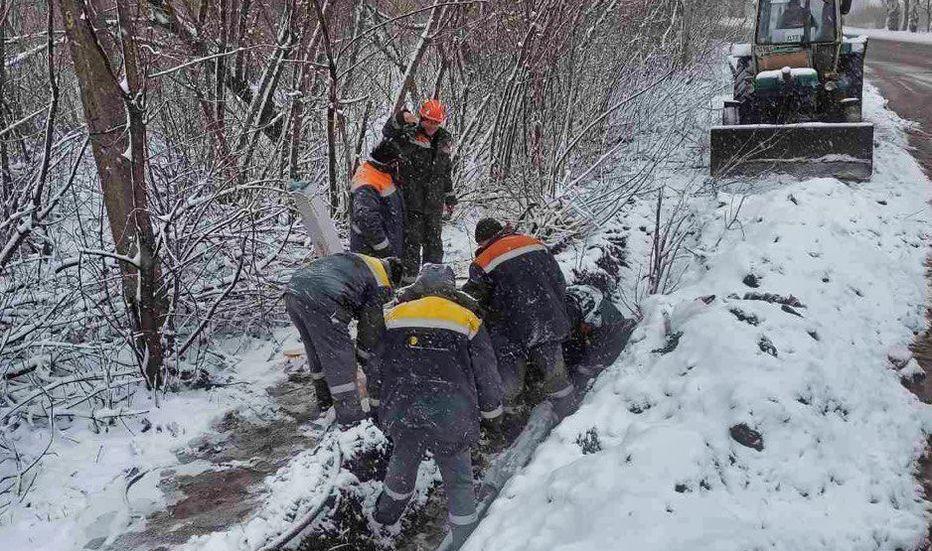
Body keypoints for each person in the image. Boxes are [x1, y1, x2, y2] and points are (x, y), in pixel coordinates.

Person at [371, 264, 503, 550]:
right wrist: (492, 412)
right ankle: (466, 538)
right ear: (451, 289)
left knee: (403, 464)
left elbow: (377, 364)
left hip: (406, 409)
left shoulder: (394, 316)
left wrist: (376, 403)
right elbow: (486, 371)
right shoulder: (467, 318)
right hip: (451, 413)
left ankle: (382, 518)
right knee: (458, 481)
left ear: (419, 285)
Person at [462, 218, 575, 426]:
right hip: (549, 319)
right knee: (555, 371)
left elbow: (475, 301)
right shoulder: (535, 243)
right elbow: (559, 280)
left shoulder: (484, 261)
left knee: (510, 379)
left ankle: (511, 422)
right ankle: (568, 413)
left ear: (483, 241)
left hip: (512, 328)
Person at [284, 252, 403, 426]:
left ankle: (325, 402)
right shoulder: (381, 282)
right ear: (392, 278)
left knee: (317, 352)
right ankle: (351, 420)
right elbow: (370, 331)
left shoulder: (362, 261)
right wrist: (364, 359)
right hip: (323, 299)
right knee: (341, 360)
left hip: (294, 292)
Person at [382, 99, 456, 282]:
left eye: (436, 122)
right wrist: (401, 117)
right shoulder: (409, 135)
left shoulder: (445, 139)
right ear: (422, 118)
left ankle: (433, 282)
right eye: (428, 121)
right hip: (412, 200)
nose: (431, 126)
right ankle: (409, 282)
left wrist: (450, 198)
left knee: (434, 244)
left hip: (435, 202)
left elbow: (445, 172)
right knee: (411, 243)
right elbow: (388, 132)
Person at [562, 284, 637, 387]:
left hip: (603, 337)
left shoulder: (604, 325)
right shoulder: (569, 318)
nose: (587, 328)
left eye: (588, 326)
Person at [349, 140, 405, 259]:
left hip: (384, 248)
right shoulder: (367, 182)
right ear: (388, 162)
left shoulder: (381, 173)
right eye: (395, 163)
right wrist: (383, 248)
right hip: (371, 253)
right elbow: (366, 218)